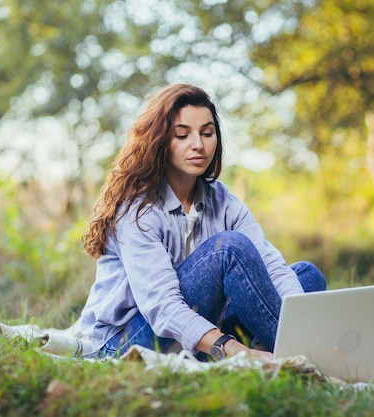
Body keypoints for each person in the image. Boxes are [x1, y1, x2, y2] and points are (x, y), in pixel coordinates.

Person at [79, 84, 326, 362]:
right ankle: (305, 355)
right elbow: (164, 308)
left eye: (207, 133)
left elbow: (272, 267)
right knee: (228, 249)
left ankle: (273, 350)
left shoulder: (223, 201)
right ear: (159, 140)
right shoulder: (138, 212)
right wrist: (232, 348)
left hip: (202, 322)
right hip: (129, 339)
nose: (198, 144)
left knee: (305, 276)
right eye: (182, 135)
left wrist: (288, 316)